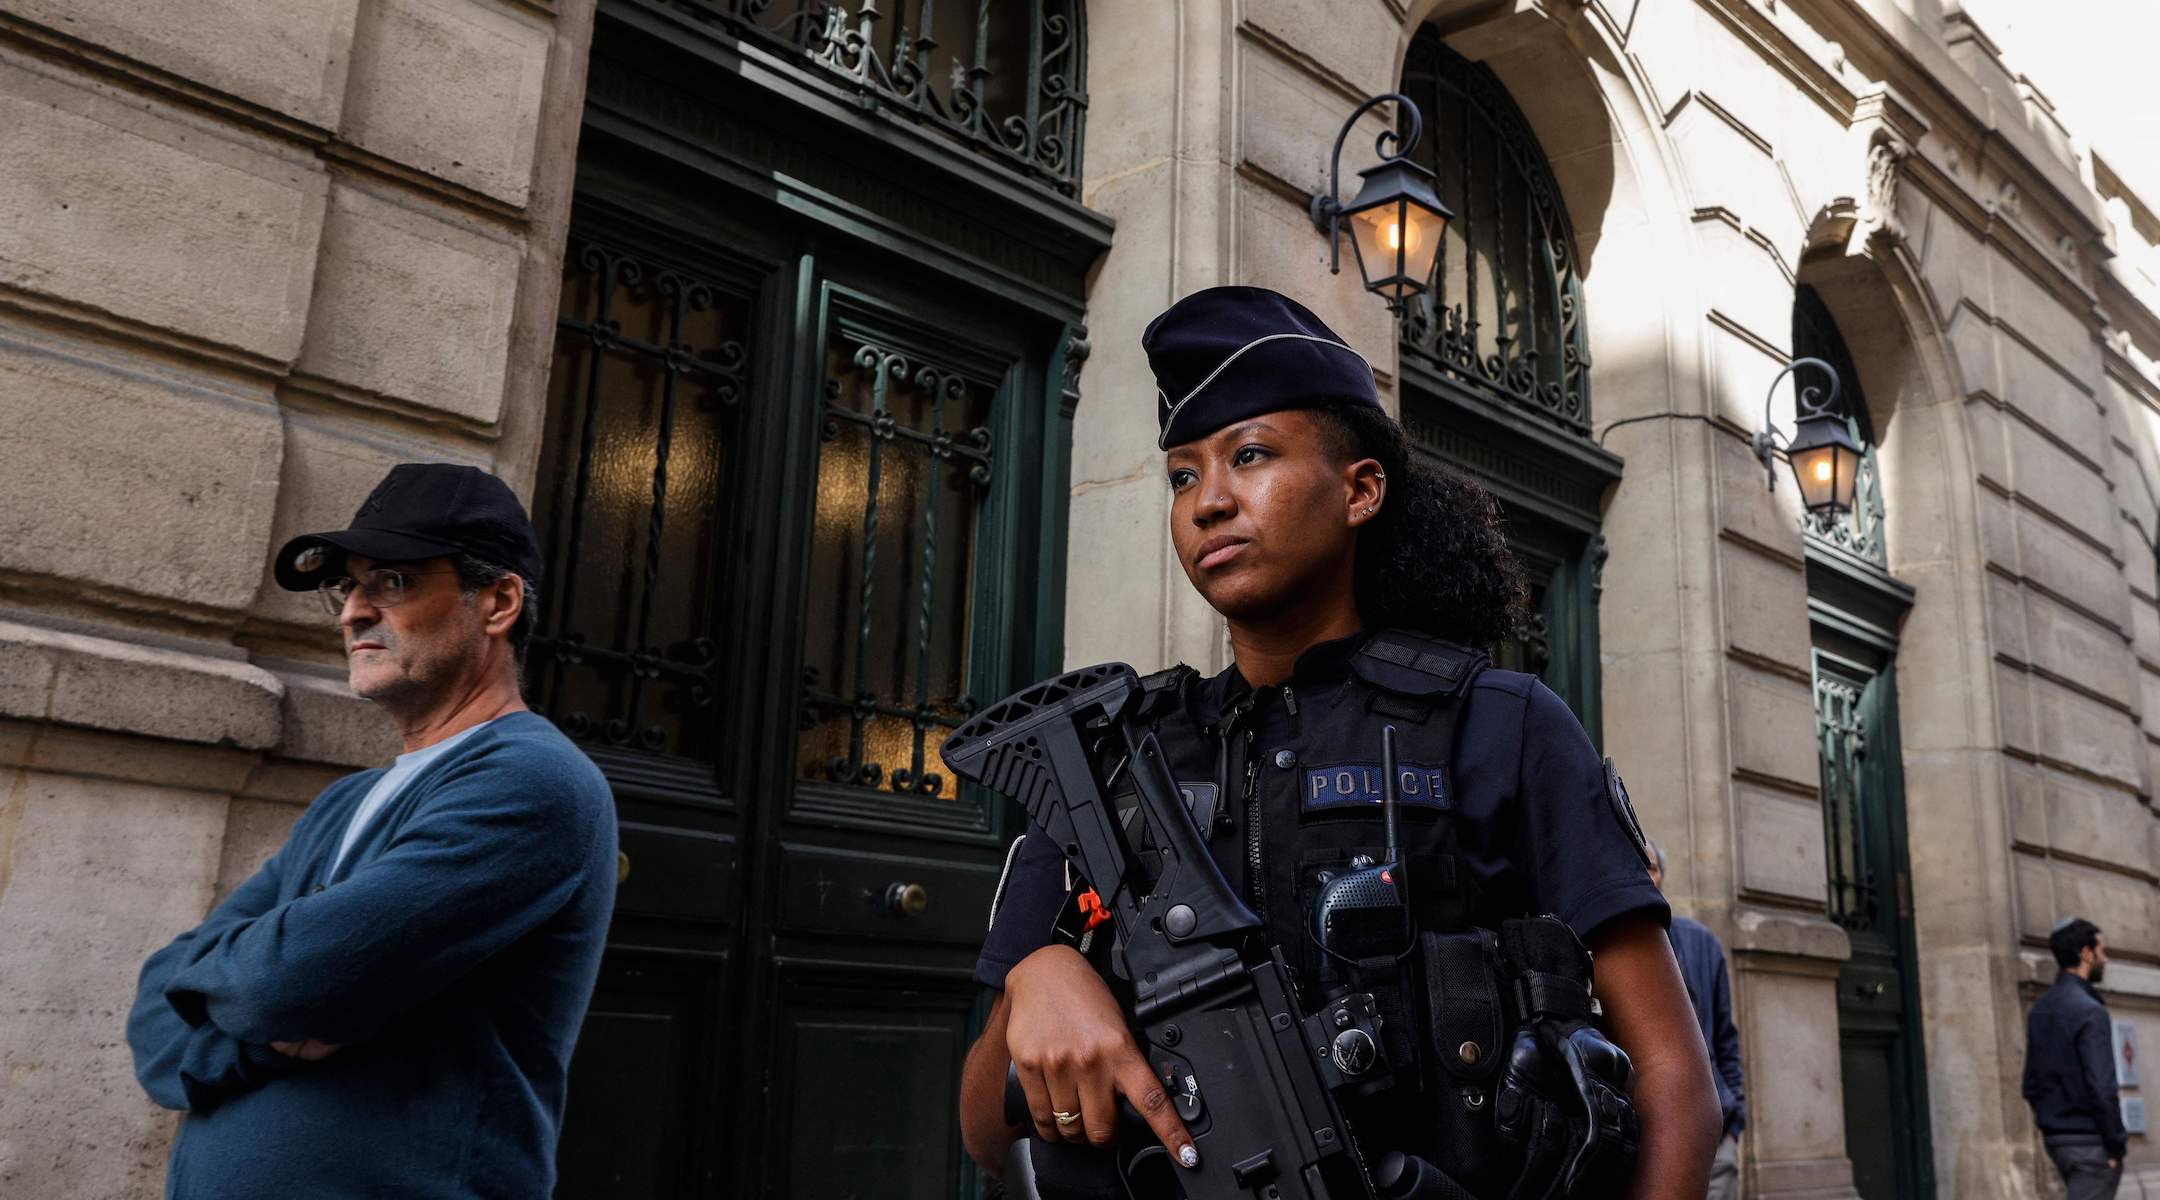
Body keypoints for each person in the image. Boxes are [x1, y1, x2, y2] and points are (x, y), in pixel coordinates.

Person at [956, 286, 1720, 1197]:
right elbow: (979, 1126)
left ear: (1360, 490)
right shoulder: (1111, 761)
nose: (1209, 502)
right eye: (1184, 475)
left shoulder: (1499, 724)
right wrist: (1035, 982)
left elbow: (1676, 1085)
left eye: (1249, 456)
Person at [126, 463, 618, 1199]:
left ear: (498, 602)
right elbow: (157, 1013)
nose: (352, 612)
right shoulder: (347, 799)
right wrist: (269, 1036)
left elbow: (288, 980)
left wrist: (255, 995)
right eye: (348, 586)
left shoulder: (531, 782)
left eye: (393, 582)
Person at [1644, 838, 1746, 1200]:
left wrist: (1734, 1123)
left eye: (1651, 866)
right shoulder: (1601, 947)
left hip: (1716, 1147)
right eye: (1636, 865)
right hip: (1644, 1147)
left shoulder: (1701, 942)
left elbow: (1726, 1040)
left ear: (1662, 877)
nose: (1644, 874)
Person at [2023, 917, 2126, 1200]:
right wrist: (2116, 1144)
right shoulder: (2090, 1011)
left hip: (2057, 1142)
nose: (2105, 959)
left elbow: (2030, 1084)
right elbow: (2103, 1088)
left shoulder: (2040, 1010)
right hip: (2091, 1144)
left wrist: (2051, 1125)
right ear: (2086, 953)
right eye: (2101, 951)